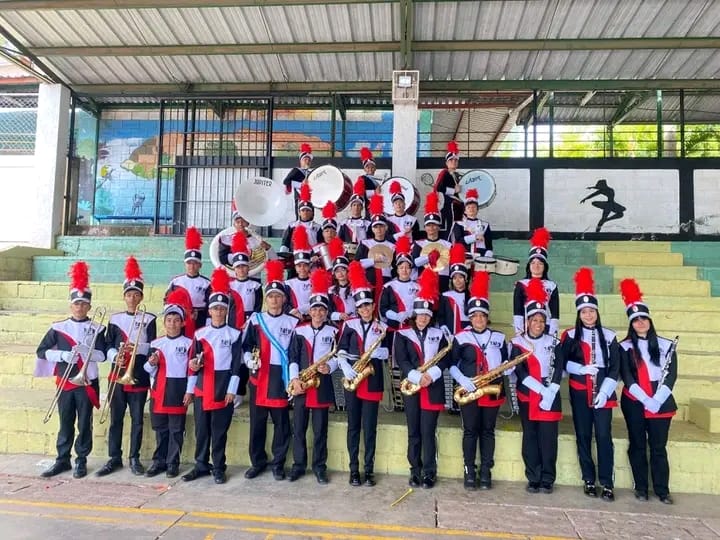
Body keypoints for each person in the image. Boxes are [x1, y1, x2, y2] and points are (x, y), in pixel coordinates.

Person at [35, 261, 106, 479]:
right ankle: (62, 459)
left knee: (84, 422)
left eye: (84, 304)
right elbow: (41, 351)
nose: (80, 307)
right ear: (71, 305)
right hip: (65, 382)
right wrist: (63, 356)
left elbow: (103, 356)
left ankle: (81, 459)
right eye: (76, 303)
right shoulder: (58, 327)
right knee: (65, 421)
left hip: (87, 381)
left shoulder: (98, 328)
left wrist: (87, 352)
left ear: (89, 307)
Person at [560, 267, 621, 501]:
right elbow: (562, 363)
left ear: (597, 312)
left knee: (604, 436)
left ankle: (607, 482)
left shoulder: (609, 335)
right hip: (579, 391)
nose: (588, 315)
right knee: (583, 435)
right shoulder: (569, 335)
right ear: (579, 314)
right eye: (584, 312)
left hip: (603, 392)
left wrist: (605, 392)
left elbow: (615, 368)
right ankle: (588, 479)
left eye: (591, 311)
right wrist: (581, 369)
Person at [618, 278, 678, 505]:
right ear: (631, 324)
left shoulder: (666, 345)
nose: (640, 322)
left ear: (650, 321)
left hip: (661, 400)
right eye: (636, 320)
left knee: (658, 448)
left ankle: (662, 490)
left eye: (643, 318)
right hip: (634, 400)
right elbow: (627, 376)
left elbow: (671, 375)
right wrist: (645, 399)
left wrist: (657, 400)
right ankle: (641, 487)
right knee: (637, 445)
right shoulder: (624, 346)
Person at [181, 269, 242, 485]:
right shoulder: (200, 334)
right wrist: (190, 389)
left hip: (223, 389)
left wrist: (232, 390)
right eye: (215, 308)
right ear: (210, 310)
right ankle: (200, 464)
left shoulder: (234, 334)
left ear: (226, 311)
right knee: (201, 430)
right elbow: (193, 365)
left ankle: (218, 467)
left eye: (222, 308)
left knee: (219, 431)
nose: (218, 312)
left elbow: (237, 365)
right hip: (201, 389)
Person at [98, 256, 157, 477]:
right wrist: (116, 356)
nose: (132, 298)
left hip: (138, 374)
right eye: (129, 294)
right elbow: (106, 345)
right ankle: (114, 457)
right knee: (116, 419)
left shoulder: (149, 318)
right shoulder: (114, 319)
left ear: (141, 297)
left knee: (137, 420)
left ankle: (134, 457)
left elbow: (152, 346)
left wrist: (136, 347)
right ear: (124, 296)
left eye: (136, 294)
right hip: (117, 374)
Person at [449, 271, 508, 490]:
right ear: (470, 318)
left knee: (488, 431)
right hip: (469, 391)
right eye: (475, 316)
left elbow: (507, 364)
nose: (479, 319)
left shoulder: (499, 337)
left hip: (492, 391)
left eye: (482, 315)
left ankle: (485, 470)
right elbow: (452, 364)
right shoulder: (461, 337)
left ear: (487, 317)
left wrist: (507, 368)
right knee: (470, 431)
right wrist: (462, 380)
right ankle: (469, 470)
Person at [243, 260, 299, 481]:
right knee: (257, 424)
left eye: (278, 296)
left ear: (284, 299)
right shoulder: (256, 320)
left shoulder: (293, 322)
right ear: (265, 299)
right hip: (260, 377)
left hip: (281, 378)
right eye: (271, 296)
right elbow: (245, 346)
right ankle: (257, 462)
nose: (274, 300)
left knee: (281, 424)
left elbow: (295, 352)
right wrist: (249, 361)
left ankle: (278, 463)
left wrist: (293, 377)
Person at [393, 270, 449, 489]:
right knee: (414, 432)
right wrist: (416, 376)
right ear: (414, 315)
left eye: (427, 314)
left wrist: (431, 375)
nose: (423, 318)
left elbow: (445, 358)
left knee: (428, 432)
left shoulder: (439, 334)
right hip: (412, 387)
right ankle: (414, 471)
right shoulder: (402, 334)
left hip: (432, 387)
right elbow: (402, 360)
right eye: (420, 314)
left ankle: (429, 472)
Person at [337, 261, 389, 487]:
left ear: (373, 306)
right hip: (353, 379)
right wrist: (344, 365)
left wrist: (381, 352)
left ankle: (368, 470)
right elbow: (340, 350)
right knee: (353, 427)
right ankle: (353, 470)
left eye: (368, 305)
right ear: (357, 309)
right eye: (361, 307)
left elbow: (389, 352)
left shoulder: (382, 327)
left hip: (373, 380)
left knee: (369, 428)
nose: (365, 309)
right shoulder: (349, 325)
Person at [511, 278, 564, 494]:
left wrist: (551, 390)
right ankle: (533, 477)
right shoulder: (518, 343)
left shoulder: (555, 342)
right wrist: (540, 390)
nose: (539, 324)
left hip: (551, 393)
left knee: (548, 438)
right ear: (528, 321)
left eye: (542, 320)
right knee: (530, 436)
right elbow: (519, 371)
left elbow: (559, 367)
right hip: (528, 394)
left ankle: (547, 478)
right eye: (534, 320)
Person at [287, 269, 339, 484]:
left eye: (321, 309)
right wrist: (294, 380)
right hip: (301, 384)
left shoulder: (333, 332)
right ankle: (298, 465)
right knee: (298, 429)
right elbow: (292, 357)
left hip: (321, 385)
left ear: (326, 312)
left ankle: (319, 467)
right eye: (314, 309)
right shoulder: (299, 330)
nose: (318, 313)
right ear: (310, 310)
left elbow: (339, 356)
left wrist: (331, 366)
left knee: (320, 431)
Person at [144, 291, 194, 478]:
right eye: (169, 320)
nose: (172, 324)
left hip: (178, 391)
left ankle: (173, 463)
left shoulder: (189, 343)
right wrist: (152, 363)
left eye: (176, 320)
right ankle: (159, 461)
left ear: (182, 323)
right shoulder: (156, 343)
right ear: (164, 323)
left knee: (176, 430)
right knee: (161, 430)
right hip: (159, 392)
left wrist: (189, 391)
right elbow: (147, 370)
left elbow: (192, 371)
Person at [227, 230, 261, 408]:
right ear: (234, 268)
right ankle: (232, 390)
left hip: (250, 325)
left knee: (247, 357)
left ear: (248, 268)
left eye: (244, 266)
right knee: (233, 357)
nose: (241, 269)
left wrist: (250, 322)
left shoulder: (256, 285)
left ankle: (241, 391)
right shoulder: (228, 285)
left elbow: (258, 307)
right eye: (238, 267)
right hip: (232, 325)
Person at [437, 243, 470, 414]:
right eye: (455, 277)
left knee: (464, 366)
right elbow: (441, 316)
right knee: (451, 367)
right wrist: (445, 331)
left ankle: (463, 399)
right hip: (450, 336)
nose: (458, 280)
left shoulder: (472, 296)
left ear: (466, 279)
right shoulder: (446, 296)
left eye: (461, 277)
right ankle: (451, 402)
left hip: (467, 336)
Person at [513, 227, 559, 337]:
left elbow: (555, 312)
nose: (536, 266)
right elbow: (518, 311)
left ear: (545, 266)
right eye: (533, 263)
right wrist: (519, 332)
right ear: (529, 266)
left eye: (540, 263)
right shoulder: (521, 284)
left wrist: (553, 332)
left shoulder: (552, 286)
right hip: (526, 327)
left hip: (546, 326)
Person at [354, 194, 396, 304]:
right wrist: (373, 261)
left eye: (381, 226)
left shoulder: (392, 246)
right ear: (372, 229)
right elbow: (356, 265)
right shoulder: (365, 243)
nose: (379, 229)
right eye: (376, 227)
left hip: (386, 281)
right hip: (369, 281)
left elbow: (396, 267)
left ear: (386, 228)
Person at [166, 226, 210, 327]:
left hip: (200, 319)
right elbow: (167, 301)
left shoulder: (207, 283)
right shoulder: (176, 282)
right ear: (185, 264)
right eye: (189, 263)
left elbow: (210, 305)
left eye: (195, 263)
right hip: (180, 320)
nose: (192, 266)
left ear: (200, 265)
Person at [413, 191, 452, 292]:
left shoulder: (447, 245)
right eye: (429, 225)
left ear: (439, 227)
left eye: (434, 225)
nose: (431, 228)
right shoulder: (419, 244)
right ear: (425, 227)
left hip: (442, 281)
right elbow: (414, 263)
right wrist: (428, 257)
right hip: (424, 282)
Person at [279, 183, 320, 277]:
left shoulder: (318, 227)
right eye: (303, 210)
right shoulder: (292, 226)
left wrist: (316, 256)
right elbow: (285, 242)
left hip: (311, 260)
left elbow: (320, 244)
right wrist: (283, 257)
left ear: (312, 213)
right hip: (294, 259)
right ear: (299, 212)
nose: (305, 212)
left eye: (308, 210)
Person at [379, 236, 419, 332]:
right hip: (394, 327)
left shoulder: (418, 287)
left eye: (407, 267)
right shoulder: (388, 286)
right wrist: (396, 316)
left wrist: (412, 314)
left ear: (411, 270)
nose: (404, 270)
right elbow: (383, 309)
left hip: (413, 327)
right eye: (401, 267)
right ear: (397, 270)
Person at [217, 203, 275, 267]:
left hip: (255, 272)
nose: (241, 224)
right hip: (235, 272)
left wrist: (269, 248)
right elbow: (222, 259)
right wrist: (243, 256)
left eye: (243, 221)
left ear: (248, 223)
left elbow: (274, 260)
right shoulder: (227, 239)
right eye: (238, 222)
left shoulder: (257, 240)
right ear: (234, 225)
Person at [449, 189, 493, 259]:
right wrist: (475, 237)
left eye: (474, 207)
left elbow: (489, 245)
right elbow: (458, 241)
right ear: (465, 211)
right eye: (468, 207)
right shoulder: (459, 224)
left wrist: (487, 257)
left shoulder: (485, 225)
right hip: (464, 256)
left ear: (477, 210)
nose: (471, 209)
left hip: (481, 257)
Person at [434, 140, 464, 234]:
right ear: (447, 163)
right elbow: (438, 187)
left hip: (459, 207)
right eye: (451, 160)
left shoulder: (459, 175)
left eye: (456, 160)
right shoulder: (444, 173)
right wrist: (453, 190)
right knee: (450, 230)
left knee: (458, 229)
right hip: (449, 206)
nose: (453, 162)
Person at [285, 226, 313, 322]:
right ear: (295, 268)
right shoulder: (288, 284)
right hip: (294, 318)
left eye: (305, 265)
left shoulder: (316, 282)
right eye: (299, 266)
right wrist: (294, 312)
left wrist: (302, 310)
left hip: (313, 317)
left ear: (309, 266)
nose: (302, 268)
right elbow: (285, 302)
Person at [338, 178, 371, 252]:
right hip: (347, 253)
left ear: (362, 208)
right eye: (354, 205)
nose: (356, 207)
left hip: (363, 253)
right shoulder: (344, 223)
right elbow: (339, 240)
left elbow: (370, 241)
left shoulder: (367, 224)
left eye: (359, 205)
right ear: (351, 207)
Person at [283, 143, 314, 220]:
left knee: (310, 218)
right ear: (301, 161)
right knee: (300, 219)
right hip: (299, 198)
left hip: (310, 199)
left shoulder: (312, 173)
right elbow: (286, 181)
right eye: (305, 159)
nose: (307, 161)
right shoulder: (296, 170)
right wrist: (301, 185)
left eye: (309, 160)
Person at [356, 146, 382, 219]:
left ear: (375, 168)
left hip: (381, 206)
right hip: (369, 207)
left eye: (372, 167)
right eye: (367, 167)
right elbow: (360, 194)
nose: (370, 169)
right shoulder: (362, 179)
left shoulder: (380, 179)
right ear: (364, 169)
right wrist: (374, 192)